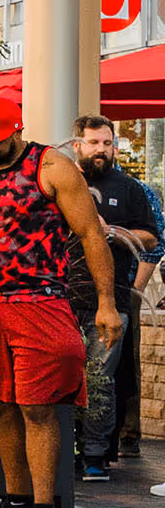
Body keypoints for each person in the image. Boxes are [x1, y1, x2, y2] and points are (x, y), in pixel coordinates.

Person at [0, 91, 122, 508]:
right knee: (0, 404)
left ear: (16, 130)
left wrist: (106, 302)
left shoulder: (53, 168)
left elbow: (90, 235)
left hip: (41, 302)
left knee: (38, 408)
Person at [67, 113, 159, 480]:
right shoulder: (62, 183)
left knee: (101, 380)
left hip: (113, 300)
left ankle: (94, 456)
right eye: (93, 143)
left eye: (107, 143)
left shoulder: (130, 188)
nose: (101, 150)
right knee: (64, 378)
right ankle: (65, 452)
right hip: (63, 298)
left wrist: (116, 232)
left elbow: (151, 239)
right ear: (78, 145)